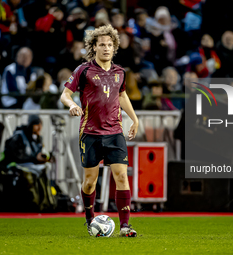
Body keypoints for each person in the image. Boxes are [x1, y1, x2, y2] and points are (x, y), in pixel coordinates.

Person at [60, 24, 138, 237]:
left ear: (115, 48)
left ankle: (125, 226)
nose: (106, 48)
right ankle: (89, 218)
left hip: (115, 132)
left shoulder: (120, 72)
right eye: (102, 44)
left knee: (122, 177)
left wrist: (134, 119)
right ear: (93, 47)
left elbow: (122, 96)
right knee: (89, 182)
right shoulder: (83, 70)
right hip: (90, 133)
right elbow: (65, 94)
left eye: (110, 45)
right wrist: (72, 105)